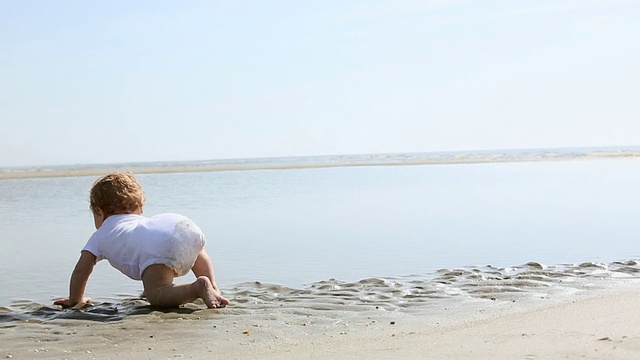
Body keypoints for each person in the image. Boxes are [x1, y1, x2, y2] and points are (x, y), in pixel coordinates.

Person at [55, 172, 229, 309]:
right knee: (194, 247)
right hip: (181, 225)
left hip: (155, 245)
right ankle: (213, 286)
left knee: (157, 295)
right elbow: (184, 245)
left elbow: (81, 271)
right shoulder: (142, 225)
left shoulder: (100, 236)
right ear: (139, 208)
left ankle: (198, 287)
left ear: (98, 212)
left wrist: (75, 300)